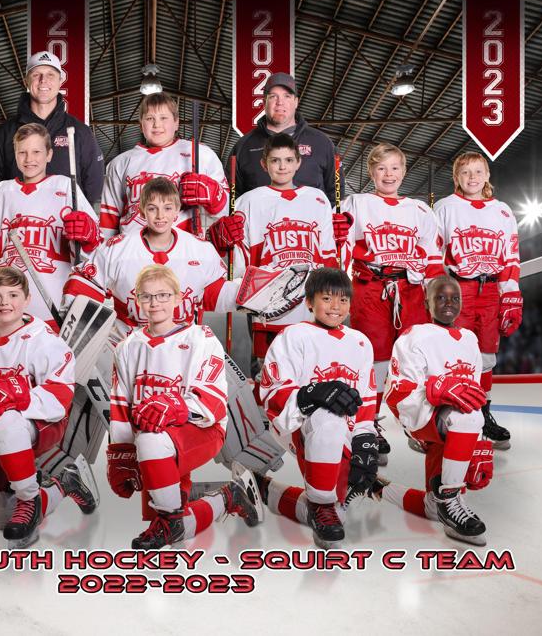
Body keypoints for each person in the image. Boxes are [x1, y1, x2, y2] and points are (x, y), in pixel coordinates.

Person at [107, 265, 263, 549]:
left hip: (201, 429)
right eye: (147, 296)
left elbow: (215, 401)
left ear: (178, 298)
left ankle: (178, 516)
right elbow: (120, 404)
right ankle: (228, 497)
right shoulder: (126, 347)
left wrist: (175, 407)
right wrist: (120, 455)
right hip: (149, 439)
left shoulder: (200, 338)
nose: (155, 303)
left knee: (152, 443)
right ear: (137, 300)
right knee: (168, 522)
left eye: (163, 295)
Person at [0, 267, 98, 547]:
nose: (5, 302)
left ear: (27, 299)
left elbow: (60, 399)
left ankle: (29, 498)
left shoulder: (46, 342)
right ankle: (65, 483)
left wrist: (15, 398)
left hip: (43, 422)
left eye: (13, 295)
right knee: (0, 517)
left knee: (3, 418)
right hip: (0, 430)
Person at [335, 143, 444, 462]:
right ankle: (368, 425)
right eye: (381, 168)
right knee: (375, 360)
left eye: (395, 167)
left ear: (404, 171)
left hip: (411, 290)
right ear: (371, 172)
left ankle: (418, 424)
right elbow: (341, 247)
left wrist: (434, 292)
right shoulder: (356, 203)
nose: (388, 174)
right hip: (371, 287)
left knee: (416, 358)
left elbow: (432, 256)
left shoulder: (420, 210)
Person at [256, 268, 377, 548]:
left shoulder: (360, 342)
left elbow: (367, 401)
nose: (336, 307)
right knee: (328, 416)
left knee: (341, 511)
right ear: (309, 302)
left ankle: (268, 490)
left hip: (343, 428)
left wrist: (365, 439)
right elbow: (272, 395)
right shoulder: (293, 335)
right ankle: (321, 504)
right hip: (298, 422)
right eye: (326, 298)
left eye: (343, 300)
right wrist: (311, 394)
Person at [377, 275, 493, 545]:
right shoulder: (414, 336)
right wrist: (437, 388)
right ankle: (449, 500)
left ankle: (379, 486)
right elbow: (397, 393)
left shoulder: (470, 339)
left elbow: (473, 395)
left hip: (457, 421)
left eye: (455, 298)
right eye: (440, 297)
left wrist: (477, 443)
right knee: (465, 417)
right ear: (427, 303)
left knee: (431, 506)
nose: (448, 303)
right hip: (422, 415)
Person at [208, 133, 338, 365]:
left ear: (298, 162)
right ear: (264, 164)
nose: (282, 166)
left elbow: (328, 254)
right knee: (270, 369)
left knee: (314, 367)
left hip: (311, 305)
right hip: (269, 306)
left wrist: (332, 293)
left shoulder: (317, 199)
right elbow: (241, 259)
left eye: (288, 160)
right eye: (275, 160)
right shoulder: (248, 201)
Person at [65, 177, 237, 340]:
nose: (160, 216)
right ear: (141, 211)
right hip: (127, 347)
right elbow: (83, 285)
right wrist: (79, 328)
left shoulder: (201, 249)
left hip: (182, 347)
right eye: (152, 208)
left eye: (167, 208)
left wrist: (244, 294)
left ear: (177, 210)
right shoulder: (116, 249)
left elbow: (214, 294)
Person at [434, 152, 521, 449]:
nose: (472, 177)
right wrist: (437, 291)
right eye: (466, 172)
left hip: (491, 289)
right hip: (459, 289)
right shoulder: (445, 207)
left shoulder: (503, 211)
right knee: (454, 354)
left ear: (487, 175)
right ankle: (447, 415)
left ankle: (483, 414)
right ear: (456, 177)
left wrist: (511, 293)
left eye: (478, 171)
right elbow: (434, 252)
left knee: (485, 357)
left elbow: (511, 255)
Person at [0, 123, 101, 331]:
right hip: (9, 305)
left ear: (49, 155)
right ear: (15, 155)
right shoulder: (3, 191)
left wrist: (88, 233)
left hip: (55, 300)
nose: (29, 159)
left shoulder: (65, 185)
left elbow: (96, 241)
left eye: (36, 152)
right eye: (22, 152)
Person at [100, 92, 228, 239]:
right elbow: (108, 223)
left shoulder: (200, 154)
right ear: (141, 125)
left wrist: (215, 196)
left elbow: (227, 213)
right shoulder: (119, 163)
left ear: (176, 122)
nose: (157, 125)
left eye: (164, 118)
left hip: (186, 247)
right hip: (133, 248)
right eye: (150, 118)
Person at [0, 51, 104, 203]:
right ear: (26, 81)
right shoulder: (5, 132)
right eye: (36, 74)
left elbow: (94, 182)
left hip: (65, 217)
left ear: (60, 81)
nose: (43, 80)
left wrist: (77, 212)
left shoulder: (80, 131)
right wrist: (12, 209)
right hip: (21, 216)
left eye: (50, 75)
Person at [231, 72, 344, 196]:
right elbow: (232, 196)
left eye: (287, 96)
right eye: (273, 96)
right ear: (264, 102)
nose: (280, 102)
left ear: (296, 102)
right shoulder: (243, 146)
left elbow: (336, 194)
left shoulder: (322, 143)